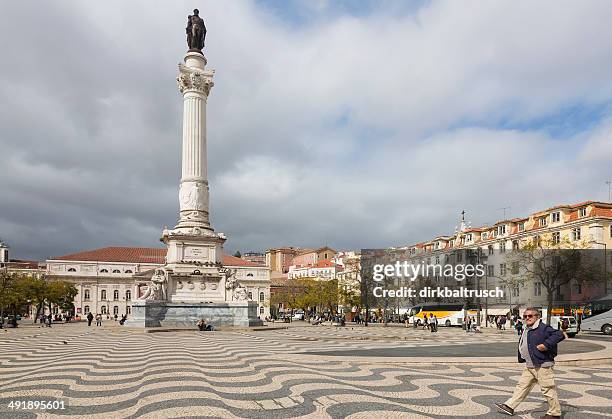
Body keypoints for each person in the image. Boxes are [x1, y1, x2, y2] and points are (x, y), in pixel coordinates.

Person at [495, 307, 564, 419]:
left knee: (548, 389)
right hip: (530, 364)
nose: (527, 318)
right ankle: (509, 406)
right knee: (522, 386)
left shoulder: (543, 328)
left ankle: (554, 414)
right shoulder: (527, 328)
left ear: (537, 317)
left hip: (542, 364)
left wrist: (546, 344)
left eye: (530, 316)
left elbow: (559, 334)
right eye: (525, 316)